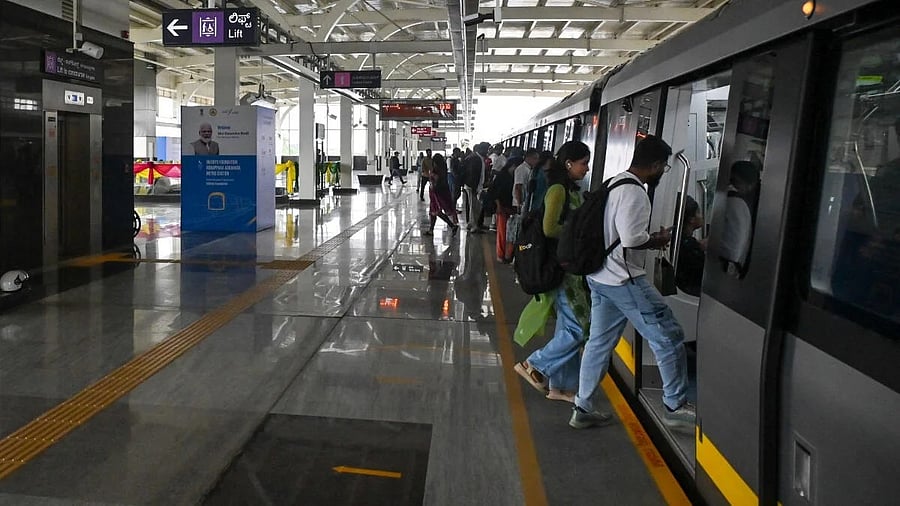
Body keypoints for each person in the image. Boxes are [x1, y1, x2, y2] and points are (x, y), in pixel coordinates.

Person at [572, 135, 695, 429]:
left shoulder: (614, 182)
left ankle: (583, 405)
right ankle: (675, 405)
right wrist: (659, 239)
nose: (661, 174)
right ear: (655, 165)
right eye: (663, 168)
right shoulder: (635, 192)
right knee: (668, 336)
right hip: (623, 279)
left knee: (599, 343)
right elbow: (631, 239)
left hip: (600, 277)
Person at [514, 141, 593, 404]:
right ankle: (534, 364)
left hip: (570, 267)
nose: (587, 168)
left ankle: (560, 386)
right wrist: (578, 239)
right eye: (584, 163)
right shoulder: (558, 190)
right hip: (563, 269)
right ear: (569, 163)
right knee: (580, 327)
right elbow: (549, 229)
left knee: (567, 328)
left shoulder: (570, 189)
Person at [719, 161, 760, 277]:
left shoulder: (735, 203)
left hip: (729, 269)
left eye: (735, 181)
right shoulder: (739, 202)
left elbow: (732, 251)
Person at [675, 196, 706, 297]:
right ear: (692, 219)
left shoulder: (680, 240)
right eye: (699, 213)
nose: (702, 216)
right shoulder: (689, 248)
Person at [423, 154, 460, 236]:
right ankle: (431, 230)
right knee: (433, 212)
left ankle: (452, 226)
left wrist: (433, 180)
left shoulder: (438, 170)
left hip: (437, 193)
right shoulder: (442, 169)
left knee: (436, 211)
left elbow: (437, 180)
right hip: (438, 192)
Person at [463, 143, 489, 233]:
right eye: (486, 149)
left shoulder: (477, 157)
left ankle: (471, 224)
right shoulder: (475, 158)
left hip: (474, 186)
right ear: (481, 150)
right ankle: (474, 227)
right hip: (472, 186)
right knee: (475, 207)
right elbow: (472, 174)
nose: (487, 152)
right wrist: (475, 188)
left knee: (473, 206)